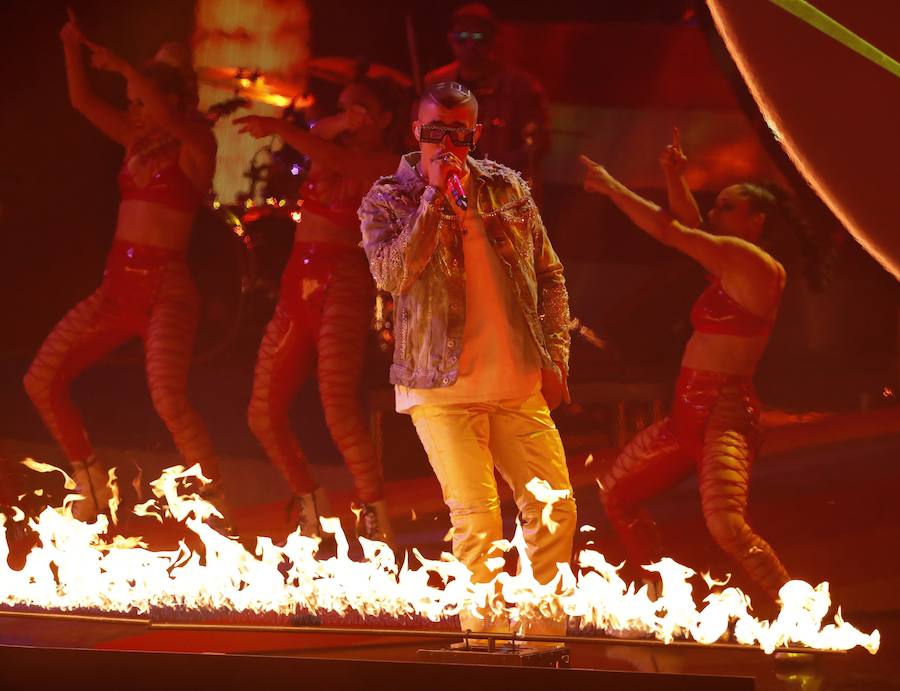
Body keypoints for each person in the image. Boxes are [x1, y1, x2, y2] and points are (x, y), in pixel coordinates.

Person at [358, 81, 575, 635]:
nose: (446, 145)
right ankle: (484, 647)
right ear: (416, 132)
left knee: (555, 513)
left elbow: (549, 274)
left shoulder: (507, 189)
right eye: (435, 132)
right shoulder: (389, 198)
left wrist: (556, 356)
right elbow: (391, 275)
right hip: (440, 388)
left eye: (458, 133)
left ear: (475, 134)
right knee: (479, 526)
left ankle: (542, 647)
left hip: (517, 381)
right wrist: (434, 200)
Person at [580, 129, 826, 601]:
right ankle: (660, 595)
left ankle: (794, 609)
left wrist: (612, 187)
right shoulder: (729, 264)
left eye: (727, 206)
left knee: (727, 526)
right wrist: (674, 176)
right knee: (618, 497)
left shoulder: (754, 265)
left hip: (724, 417)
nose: (715, 213)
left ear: (757, 221)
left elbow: (674, 231)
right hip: (685, 417)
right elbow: (689, 224)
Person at [24, 12, 224, 523]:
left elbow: (162, 108)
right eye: (131, 104)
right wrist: (71, 46)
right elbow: (82, 101)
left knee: (167, 398)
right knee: (41, 380)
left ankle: (211, 502)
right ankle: (91, 481)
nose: (134, 111)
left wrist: (122, 67)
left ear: (175, 103)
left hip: (167, 293)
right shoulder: (136, 143)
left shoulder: (195, 147)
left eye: (143, 102)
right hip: (116, 290)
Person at [234, 77, 408, 544]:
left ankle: (374, 517)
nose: (352, 119)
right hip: (296, 288)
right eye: (345, 108)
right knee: (262, 414)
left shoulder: (389, 164)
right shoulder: (326, 143)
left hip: (343, 284)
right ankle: (309, 502)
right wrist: (338, 120)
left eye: (363, 109)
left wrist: (278, 124)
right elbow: (322, 140)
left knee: (336, 403)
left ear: (387, 118)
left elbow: (337, 157)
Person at [424, 3, 549, 187]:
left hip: (500, 188)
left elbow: (538, 143)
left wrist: (493, 168)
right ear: (450, 39)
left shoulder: (521, 86)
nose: (471, 45)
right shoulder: (436, 82)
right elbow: (419, 137)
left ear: (494, 40)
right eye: (462, 37)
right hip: (447, 183)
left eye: (480, 38)